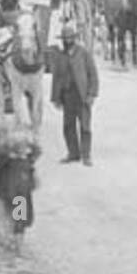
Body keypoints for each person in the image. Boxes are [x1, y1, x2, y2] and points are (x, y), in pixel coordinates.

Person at [51, 21, 99, 166]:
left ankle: (86, 155)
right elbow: (56, 77)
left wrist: (92, 94)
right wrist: (55, 98)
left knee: (85, 126)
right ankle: (73, 153)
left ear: (75, 38)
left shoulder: (83, 53)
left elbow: (93, 74)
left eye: (70, 38)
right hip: (67, 96)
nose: (68, 41)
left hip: (82, 95)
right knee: (68, 126)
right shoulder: (60, 55)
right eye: (65, 39)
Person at [3, 0, 46, 130]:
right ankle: (20, 119)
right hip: (18, 42)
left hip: (27, 38)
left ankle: (34, 118)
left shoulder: (27, 18)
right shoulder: (13, 20)